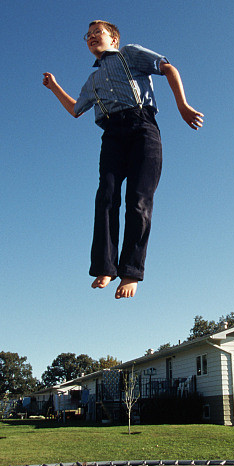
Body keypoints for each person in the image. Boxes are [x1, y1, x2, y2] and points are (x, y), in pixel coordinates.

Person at [43, 20, 203, 299]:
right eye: (88, 35)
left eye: (98, 33)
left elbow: (168, 68)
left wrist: (182, 105)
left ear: (114, 40)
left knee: (139, 199)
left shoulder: (129, 53)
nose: (92, 37)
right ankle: (106, 266)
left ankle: (130, 271)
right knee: (106, 196)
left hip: (142, 127)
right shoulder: (92, 80)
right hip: (112, 135)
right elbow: (76, 109)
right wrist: (54, 87)